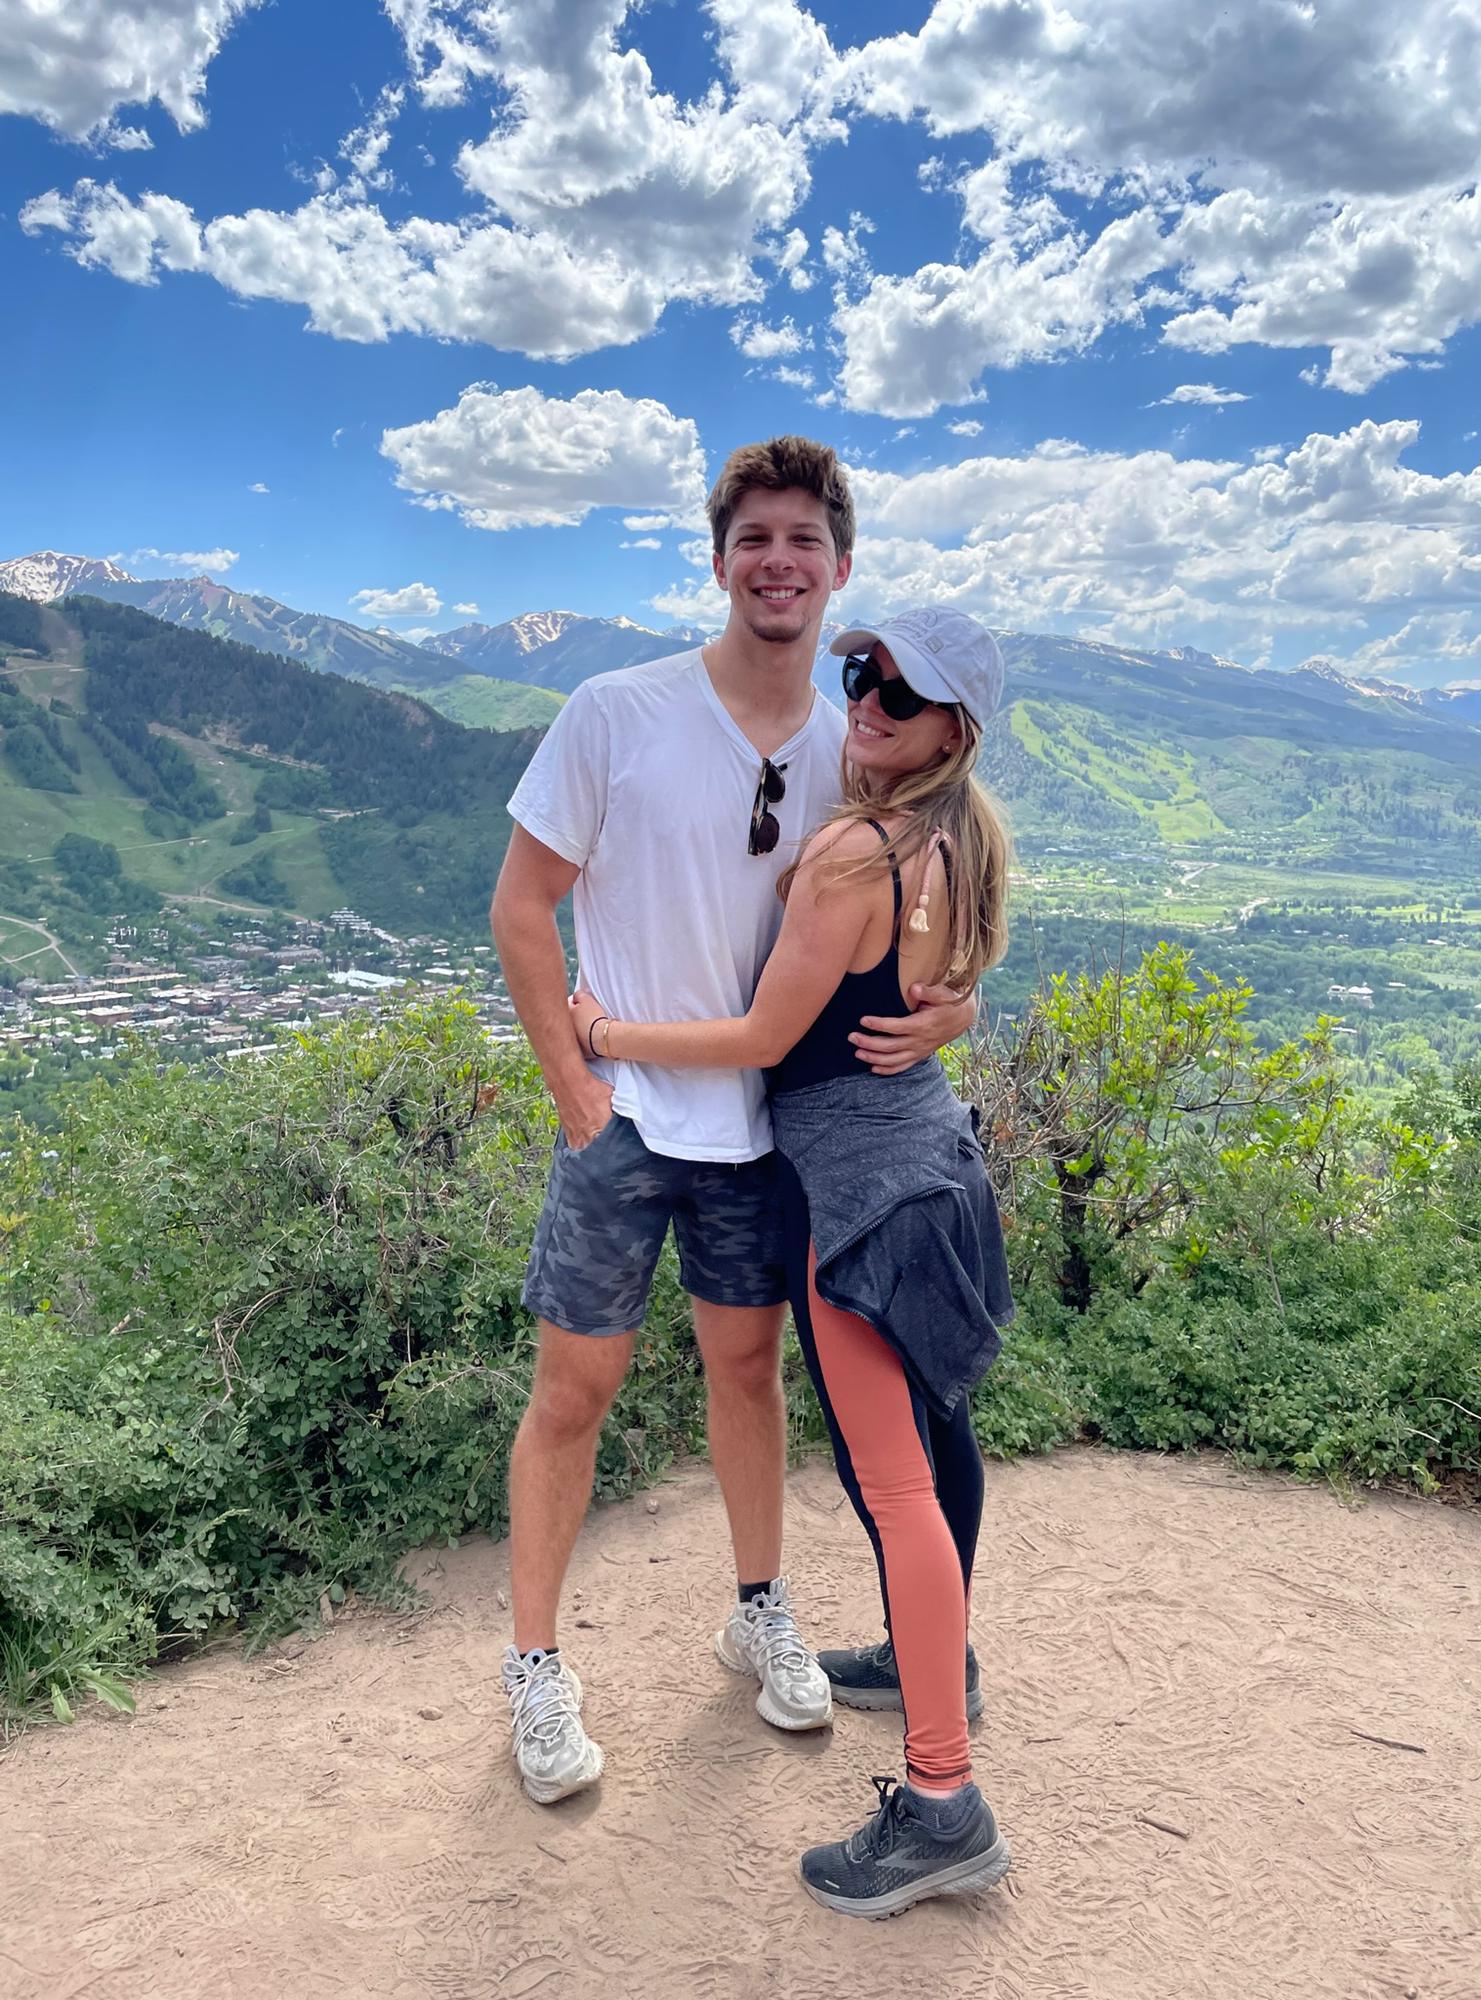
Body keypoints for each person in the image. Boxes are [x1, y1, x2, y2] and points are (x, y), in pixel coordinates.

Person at [490, 438, 976, 1807]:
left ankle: (758, 1612)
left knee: (748, 1374)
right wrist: (574, 1086)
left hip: (767, 1134)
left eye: (803, 540)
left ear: (839, 566)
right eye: (754, 537)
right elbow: (521, 907)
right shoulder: (615, 712)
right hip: (627, 1121)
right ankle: (535, 1664)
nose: (778, 561)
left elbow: (916, 912)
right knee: (572, 1394)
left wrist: (959, 1007)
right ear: (718, 562)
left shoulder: (852, 748)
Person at [569, 605, 1015, 1919]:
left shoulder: (855, 854)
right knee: (936, 1448)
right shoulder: (959, 835)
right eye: (860, 673)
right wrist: (961, 1011)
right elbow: (933, 985)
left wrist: (605, 1032)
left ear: (953, 728)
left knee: (897, 1485)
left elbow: (764, 1039)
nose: (865, 699)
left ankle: (943, 1801)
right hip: (936, 1165)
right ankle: (941, 1668)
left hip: (863, 1202)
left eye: (900, 691)